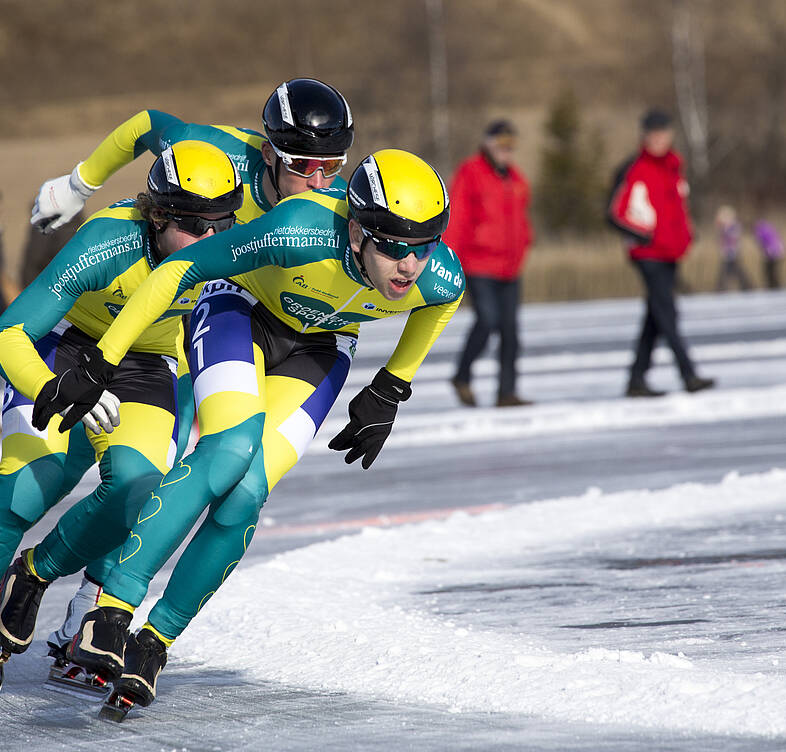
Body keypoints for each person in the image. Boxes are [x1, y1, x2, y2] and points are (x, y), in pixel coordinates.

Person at [4, 148, 464, 711]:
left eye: (423, 245)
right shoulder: (298, 230)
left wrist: (391, 385)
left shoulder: (438, 273)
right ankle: (113, 608)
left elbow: (443, 302)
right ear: (356, 230)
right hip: (238, 312)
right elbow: (179, 270)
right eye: (392, 245)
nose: (409, 265)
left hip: (319, 349)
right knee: (228, 450)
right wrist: (102, 361)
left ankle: (154, 643)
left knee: (246, 495)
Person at [21, 77, 354, 662]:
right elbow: (146, 122)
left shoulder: (333, 202)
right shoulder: (218, 153)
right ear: (271, 154)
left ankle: (91, 610)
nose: (321, 183)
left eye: (334, 167)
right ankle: (63, 593)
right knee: (99, 464)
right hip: (156, 318)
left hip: (218, 328)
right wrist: (78, 184)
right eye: (306, 167)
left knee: (167, 472)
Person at [0, 141, 244, 675]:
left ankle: (35, 573)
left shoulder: (229, 244)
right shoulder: (106, 242)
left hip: (146, 365)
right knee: (23, 491)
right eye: (197, 227)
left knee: (139, 489)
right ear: (158, 216)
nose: (212, 240)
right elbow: (11, 331)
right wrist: (46, 386)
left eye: (224, 224)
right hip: (66, 348)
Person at [607, 108, 714, 397]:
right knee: (667, 312)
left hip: (671, 251)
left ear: (670, 135)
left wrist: (687, 234)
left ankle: (636, 380)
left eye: (662, 133)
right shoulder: (633, 169)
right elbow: (612, 213)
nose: (658, 139)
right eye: (652, 134)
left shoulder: (674, 167)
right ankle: (688, 374)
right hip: (647, 253)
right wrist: (642, 235)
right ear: (644, 136)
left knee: (655, 317)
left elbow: (679, 208)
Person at [446, 120, 533, 407]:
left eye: (510, 146)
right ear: (488, 143)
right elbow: (456, 216)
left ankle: (506, 392)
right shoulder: (470, 171)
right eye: (500, 144)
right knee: (487, 320)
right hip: (478, 262)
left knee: (510, 330)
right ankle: (462, 375)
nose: (505, 151)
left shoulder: (515, 178)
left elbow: (520, 219)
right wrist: (449, 257)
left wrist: (525, 242)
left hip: (509, 266)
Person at [714, 205, 751, 292]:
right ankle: (746, 286)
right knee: (734, 270)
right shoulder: (724, 227)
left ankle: (721, 288)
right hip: (727, 252)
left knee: (728, 271)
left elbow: (734, 237)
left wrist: (725, 230)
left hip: (732, 252)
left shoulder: (734, 226)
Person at [753, 219, 785, 290]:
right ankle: (775, 286)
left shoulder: (760, 232)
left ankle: (773, 286)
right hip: (777, 252)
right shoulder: (769, 229)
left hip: (772, 253)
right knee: (772, 271)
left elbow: (764, 244)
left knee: (769, 271)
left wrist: (766, 253)